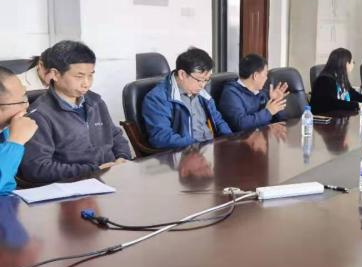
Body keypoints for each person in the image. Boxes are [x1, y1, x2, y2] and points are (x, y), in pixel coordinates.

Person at [19, 41, 131, 184]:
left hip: (110, 178)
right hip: (73, 185)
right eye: (79, 76)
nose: (86, 83)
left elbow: (115, 136)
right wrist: (93, 170)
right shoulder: (39, 114)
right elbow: (38, 168)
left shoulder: (96, 102)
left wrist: (122, 157)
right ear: (55, 74)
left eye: (90, 75)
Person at [142, 47, 232, 150]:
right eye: (199, 80)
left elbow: (218, 121)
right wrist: (196, 146)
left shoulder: (201, 93)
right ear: (182, 74)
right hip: (186, 152)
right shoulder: (157, 98)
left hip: (210, 149)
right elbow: (161, 137)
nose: (203, 85)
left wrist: (230, 140)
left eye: (206, 80)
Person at [217, 53, 288, 132]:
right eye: (265, 75)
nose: (266, 78)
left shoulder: (261, 91)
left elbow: (283, 120)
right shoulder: (231, 94)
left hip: (263, 136)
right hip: (242, 139)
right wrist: (268, 112)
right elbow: (241, 124)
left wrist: (275, 101)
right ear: (255, 76)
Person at [0, 68, 38, 193]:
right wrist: (15, 142)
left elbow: (8, 185)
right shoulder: (14, 137)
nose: (26, 106)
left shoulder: (6, 130)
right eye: (22, 101)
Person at [310, 48, 362, 114]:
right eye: (352, 62)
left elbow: (351, 93)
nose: (353, 65)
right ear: (346, 64)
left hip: (340, 115)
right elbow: (332, 103)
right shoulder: (324, 80)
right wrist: (358, 105)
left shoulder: (340, 77)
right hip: (326, 117)